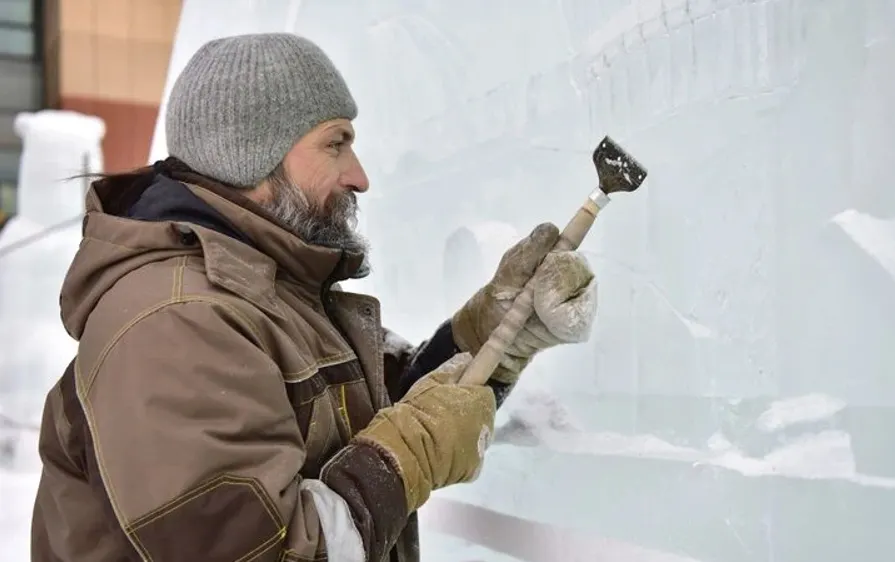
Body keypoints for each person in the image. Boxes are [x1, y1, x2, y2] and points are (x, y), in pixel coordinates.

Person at [30, 32, 597, 562]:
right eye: (336, 144)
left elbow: (373, 419)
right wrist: (407, 458)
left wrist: (495, 333)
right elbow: (256, 551)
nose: (359, 176)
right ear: (249, 155)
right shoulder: (176, 321)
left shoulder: (263, 292)